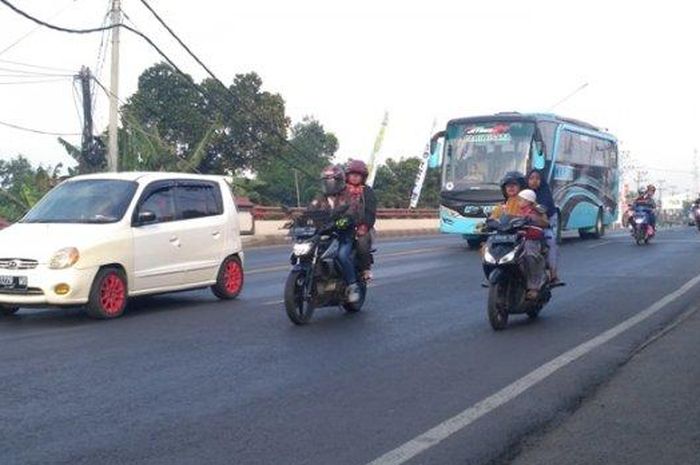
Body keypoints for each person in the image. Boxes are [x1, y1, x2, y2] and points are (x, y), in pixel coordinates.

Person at [488, 172, 548, 299]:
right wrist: (488, 223)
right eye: (507, 185)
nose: (510, 188)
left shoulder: (531, 203)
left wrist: (532, 218)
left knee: (530, 254)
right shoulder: (501, 207)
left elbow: (544, 221)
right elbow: (493, 219)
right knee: (486, 251)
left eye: (514, 185)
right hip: (506, 238)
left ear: (521, 186)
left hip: (525, 238)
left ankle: (533, 286)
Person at [309, 164, 361, 303]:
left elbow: (353, 210)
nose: (328, 184)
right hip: (324, 233)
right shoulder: (320, 197)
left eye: (331, 181)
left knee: (342, 255)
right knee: (308, 251)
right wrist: (299, 219)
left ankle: (352, 285)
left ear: (339, 181)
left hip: (344, 234)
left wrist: (344, 221)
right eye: (326, 181)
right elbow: (310, 210)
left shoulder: (348, 195)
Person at [344, 160, 377, 281]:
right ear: (347, 175)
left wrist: (364, 226)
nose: (355, 177)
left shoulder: (367, 191)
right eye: (352, 174)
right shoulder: (340, 190)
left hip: (360, 227)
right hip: (341, 225)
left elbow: (370, 212)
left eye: (358, 175)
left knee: (362, 243)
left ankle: (365, 268)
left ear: (363, 177)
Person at [528, 169, 559, 283]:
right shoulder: (523, 193)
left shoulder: (545, 193)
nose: (534, 181)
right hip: (526, 226)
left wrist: (533, 204)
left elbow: (544, 210)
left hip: (545, 223)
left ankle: (553, 274)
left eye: (537, 178)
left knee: (550, 241)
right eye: (531, 178)